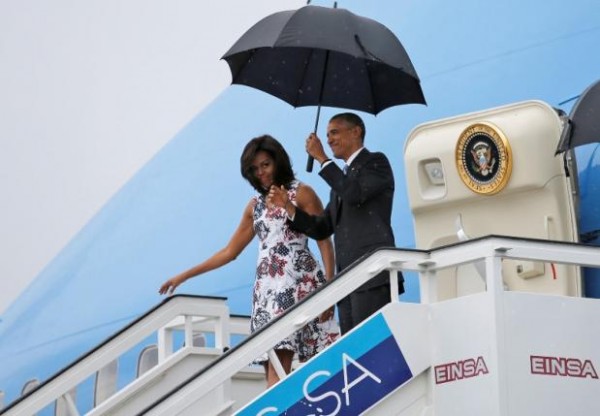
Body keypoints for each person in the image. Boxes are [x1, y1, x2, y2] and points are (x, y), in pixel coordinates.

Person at [158, 134, 338, 387]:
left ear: (278, 161)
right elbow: (229, 252)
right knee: (273, 367)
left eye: (265, 164)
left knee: (313, 365)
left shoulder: (303, 193)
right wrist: (184, 275)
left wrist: (330, 286)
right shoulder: (254, 206)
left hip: (300, 284)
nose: (261, 172)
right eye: (254, 169)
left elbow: (324, 240)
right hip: (267, 291)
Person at [268, 112, 404, 335]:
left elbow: (354, 194)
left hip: (372, 276)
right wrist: (290, 208)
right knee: (355, 352)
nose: (329, 140)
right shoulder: (341, 179)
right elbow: (322, 227)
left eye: (334, 132)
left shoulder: (376, 163)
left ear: (356, 132)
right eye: (327, 134)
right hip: (347, 281)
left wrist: (322, 159)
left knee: (374, 346)